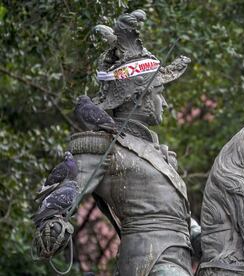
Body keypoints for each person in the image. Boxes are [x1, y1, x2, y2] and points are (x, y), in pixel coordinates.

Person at [68, 10, 199, 275]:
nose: (164, 103)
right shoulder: (104, 148)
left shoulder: (160, 153)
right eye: (159, 94)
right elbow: (63, 194)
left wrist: (198, 234)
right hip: (149, 264)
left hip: (181, 259)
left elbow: (173, 214)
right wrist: (55, 223)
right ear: (139, 97)